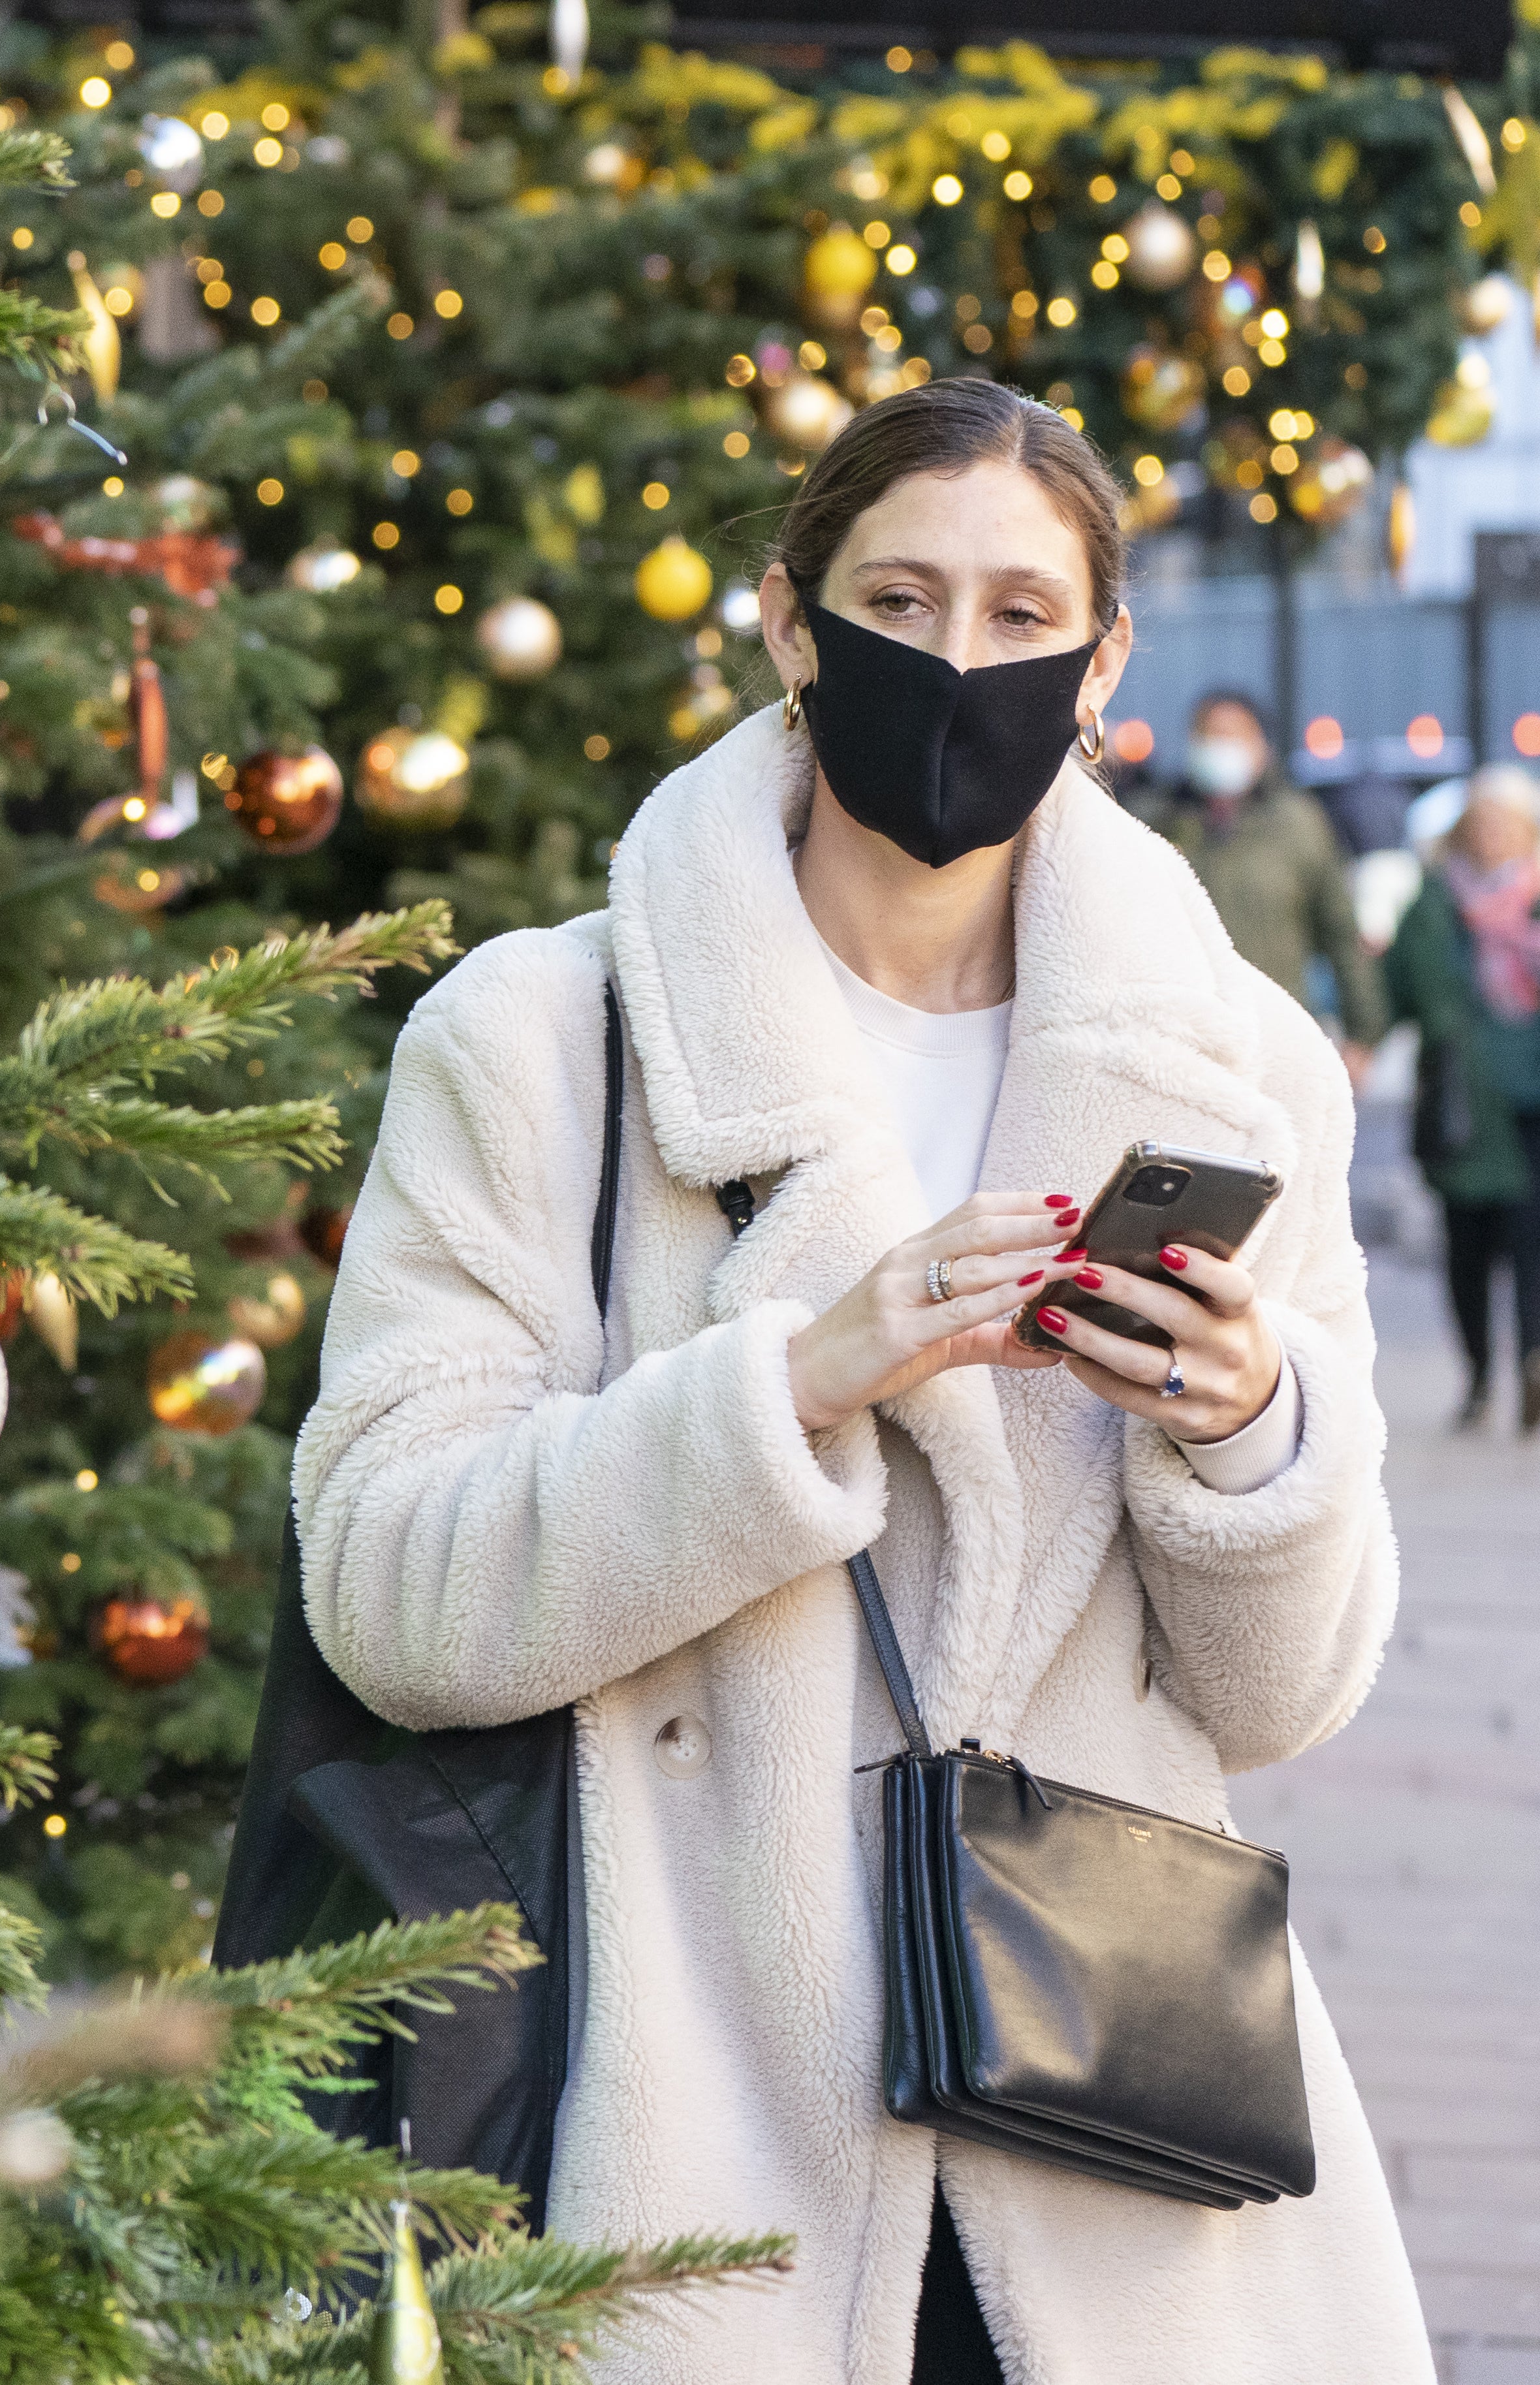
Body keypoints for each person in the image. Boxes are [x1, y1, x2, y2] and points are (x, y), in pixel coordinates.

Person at [297, 380, 1416, 2383]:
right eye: (897, 597)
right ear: (787, 622)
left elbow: (1277, 1697)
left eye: (1014, 612)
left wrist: (1251, 1427)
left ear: (1097, 665)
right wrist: (791, 1384)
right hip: (673, 2112)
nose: (956, 662)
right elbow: (389, 1587)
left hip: (1097, 2123)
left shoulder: (1236, 1074)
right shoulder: (547, 1041)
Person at [1384, 765, 1540, 1430]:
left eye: (1502, 823)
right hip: (1459, 1103)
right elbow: (1395, 987)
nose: (1489, 835)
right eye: (1478, 824)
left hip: (1530, 1102)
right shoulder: (1431, 903)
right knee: (1466, 1248)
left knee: (1531, 1241)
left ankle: (1533, 1362)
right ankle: (1478, 1373)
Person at [1140, 689, 1388, 1084]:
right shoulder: (1155, 821)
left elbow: (1341, 933)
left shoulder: (1298, 824)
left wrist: (1364, 1032)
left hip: (1273, 1032)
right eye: (1207, 735)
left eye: (1233, 735)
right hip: (1176, 1039)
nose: (1218, 746)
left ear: (1261, 747)